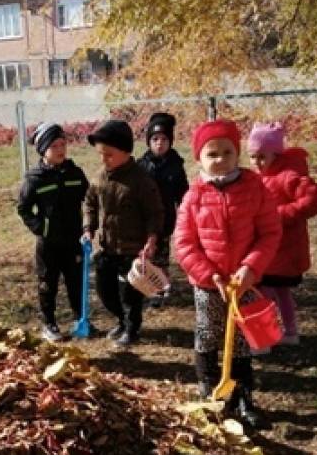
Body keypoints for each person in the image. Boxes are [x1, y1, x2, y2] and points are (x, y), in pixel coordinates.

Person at [173, 119, 281, 429]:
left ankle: (243, 396)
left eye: (227, 152)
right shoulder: (194, 195)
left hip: (243, 281)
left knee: (242, 339)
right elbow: (184, 243)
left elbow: (269, 233)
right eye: (212, 154)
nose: (220, 159)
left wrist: (250, 268)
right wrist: (210, 276)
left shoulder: (254, 188)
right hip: (209, 284)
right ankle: (209, 391)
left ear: (237, 154)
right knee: (208, 333)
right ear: (199, 158)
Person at [82, 119, 164, 347]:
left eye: (109, 154)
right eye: (101, 154)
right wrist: (89, 228)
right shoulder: (99, 177)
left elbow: (154, 213)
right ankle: (121, 319)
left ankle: (131, 328)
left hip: (132, 249)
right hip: (108, 246)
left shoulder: (141, 180)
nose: (103, 159)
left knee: (130, 293)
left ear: (126, 152)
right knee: (104, 290)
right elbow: (89, 203)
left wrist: (152, 239)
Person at [246, 121, 317, 348]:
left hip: (285, 248)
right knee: (276, 292)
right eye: (252, 157)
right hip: (266, 248)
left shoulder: (289, 176)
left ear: (276, 154)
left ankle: (269, 336)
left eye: (262, 157)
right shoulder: (256, 178)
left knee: (268, 292)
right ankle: (286, 332)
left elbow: (313, 200)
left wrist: (280, 215)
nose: (257, 162)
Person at [17, 122, 89, 341]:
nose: (60, 150)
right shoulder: (35, 178)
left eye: (62, 144)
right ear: (43, 150)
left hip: (73, 240)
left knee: (76, 281)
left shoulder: (75, 173)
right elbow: (24, 208)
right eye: (54, 146)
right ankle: (49, 323)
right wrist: (42, 228)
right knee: (48, 283)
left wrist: (87, 226)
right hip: (48, 244)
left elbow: (89, 200)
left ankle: (80, 319)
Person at [137, 112, 190, 307]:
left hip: (165, 219)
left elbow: (183, 194)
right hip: (143, 220)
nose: (160, 143)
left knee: (161, 256)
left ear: (171, 141)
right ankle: (142, 287)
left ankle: (160, 289)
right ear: (149, 141)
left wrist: (185, 215)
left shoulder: (175, 165)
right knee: (144, 255)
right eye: (155, 139)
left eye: (164, 139)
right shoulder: (141, 165)